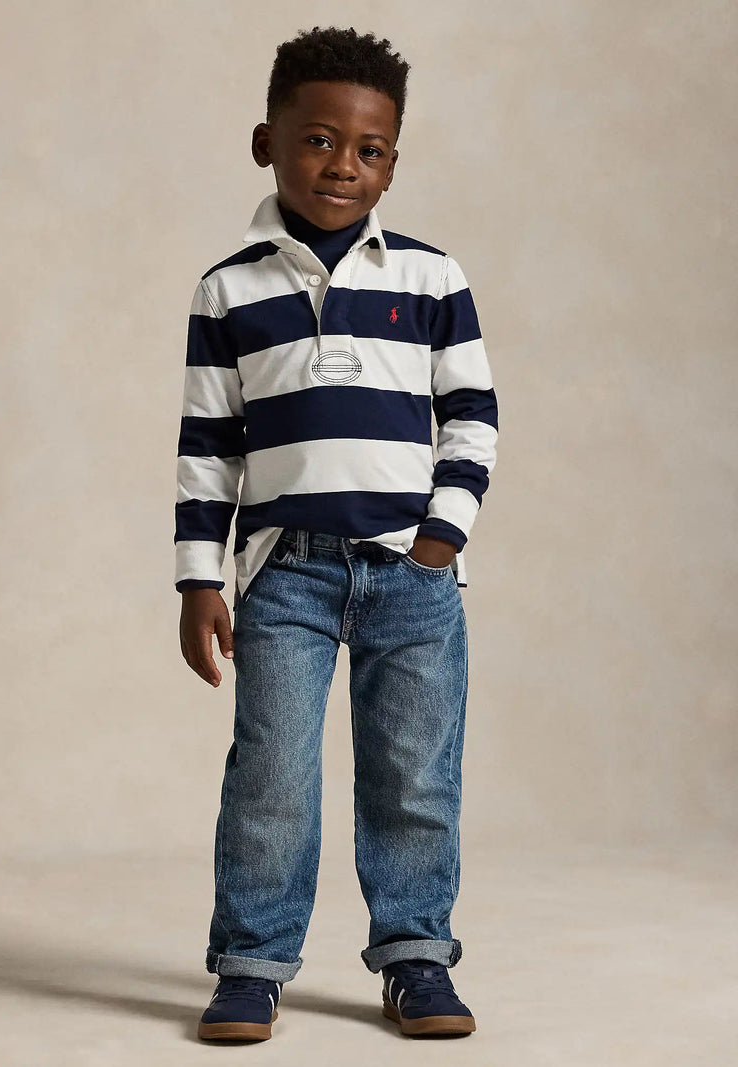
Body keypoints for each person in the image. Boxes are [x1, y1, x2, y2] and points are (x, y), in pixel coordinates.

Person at [174, 25, 499, 1042]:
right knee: (270, 771)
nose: (341, 166)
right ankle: (250, 963)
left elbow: (474, 418)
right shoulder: (227, 290)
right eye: (317, 140)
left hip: (410, 576)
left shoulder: (431, 278)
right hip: (284, 575)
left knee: (412, 772)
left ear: (391, 161)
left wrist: (439, 536)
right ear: (265, 141)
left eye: (367, 150)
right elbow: (206, 450)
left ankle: (414, 957)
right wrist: (197, 580)